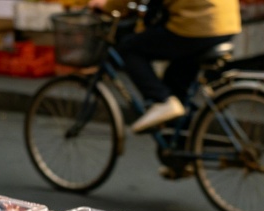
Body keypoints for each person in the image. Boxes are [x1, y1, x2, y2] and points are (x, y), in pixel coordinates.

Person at [88, 0, 241, 132]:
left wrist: (108, 6)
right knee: (176, 84)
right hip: (226, 22)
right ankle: (182, 155)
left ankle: (161, 100)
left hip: (197, 23)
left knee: (129, 49)